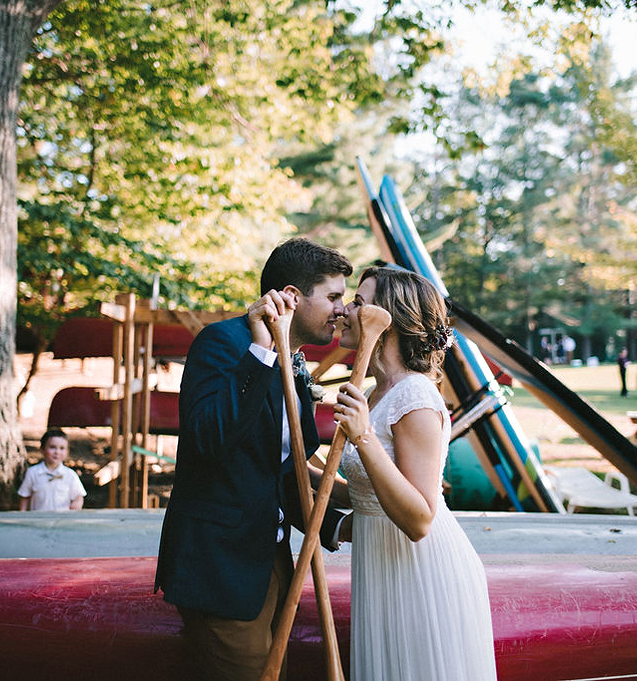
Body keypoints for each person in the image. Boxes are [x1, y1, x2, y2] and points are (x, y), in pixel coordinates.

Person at [156, 237, 351, 681]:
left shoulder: (296, 360)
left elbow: (281, 466)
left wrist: (337, 522)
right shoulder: (222, 343)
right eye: (334, 296)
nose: (342, 309)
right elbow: (210, 440)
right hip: (221, 569)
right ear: (293, 297)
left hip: (274, 563)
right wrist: (262, 353)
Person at [328, 266, 496, 681]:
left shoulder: (416, 397)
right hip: (382, 568)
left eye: (359, 303)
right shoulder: (376, 393)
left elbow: (420, 518)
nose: (346, 310)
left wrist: (363, 436)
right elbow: (371, 492)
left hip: (420, 574)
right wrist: (299, 475)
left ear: (389, 321)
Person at [18, 429, 86, 511]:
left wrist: (77, 503)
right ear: (42, 450)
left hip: (62, 520)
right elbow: (25, 496)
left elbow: (78, 496)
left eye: (62, 448)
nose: (57, 452)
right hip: (38, 520)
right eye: (52, 447)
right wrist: (22, 515)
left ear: (67, 452)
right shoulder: (33, 473)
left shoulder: (70, 475)